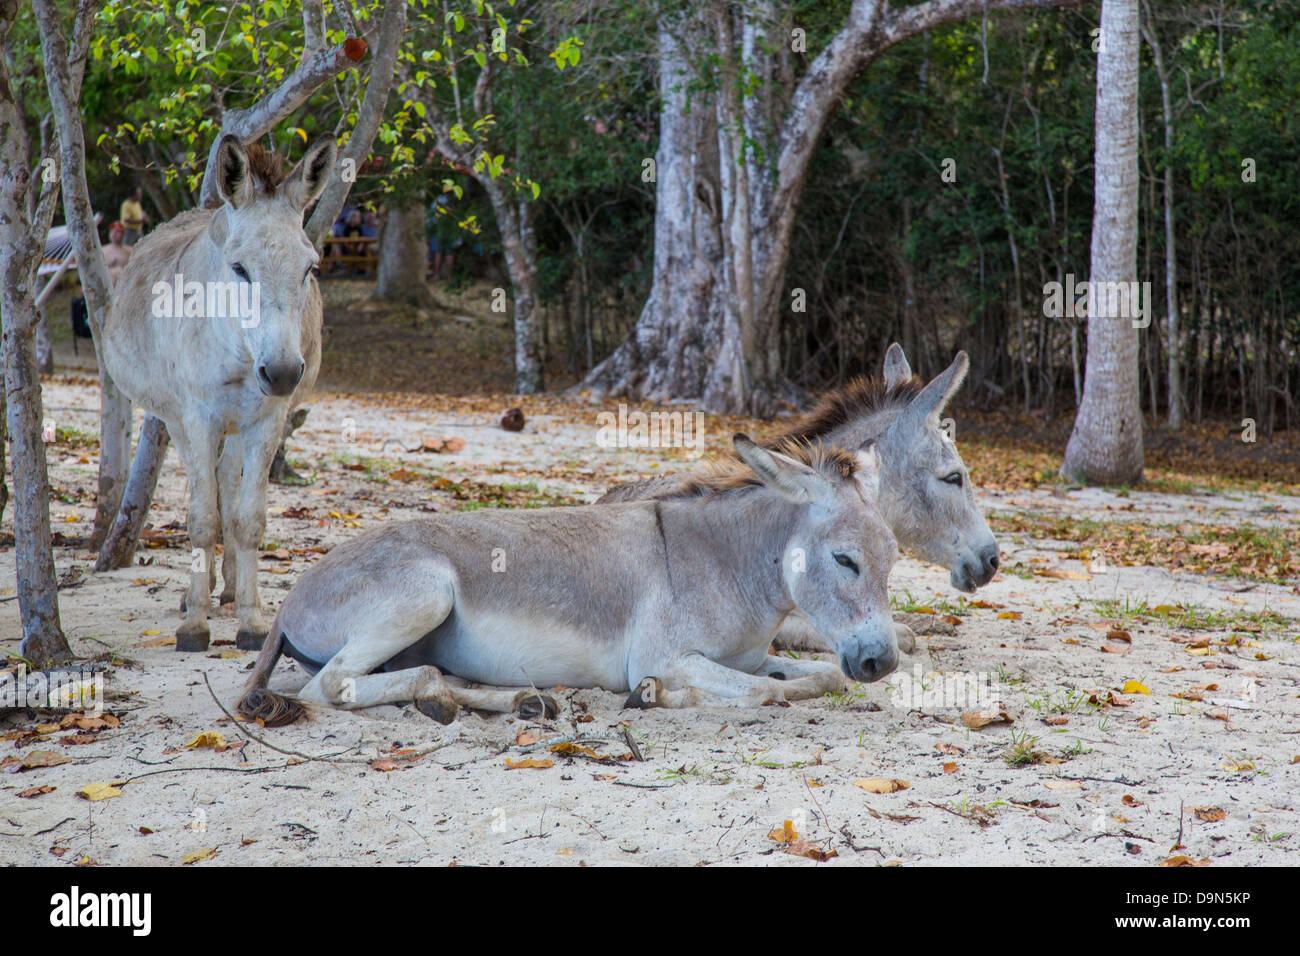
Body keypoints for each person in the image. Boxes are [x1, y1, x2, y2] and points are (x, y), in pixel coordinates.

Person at [101, 220, 132, 285]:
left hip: (124, 284)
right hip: (108, 285)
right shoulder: (102, 250)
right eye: (112, 231)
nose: (114, 234)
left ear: (123, 234)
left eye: (117, 231)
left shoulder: (130, 251)